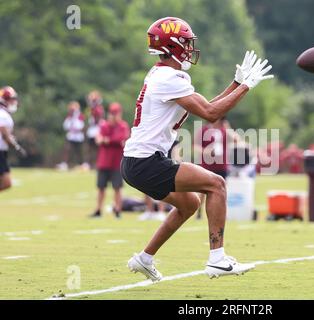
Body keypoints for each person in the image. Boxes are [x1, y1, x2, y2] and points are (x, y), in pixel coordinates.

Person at [121, 17, 273, 281]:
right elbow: (212, 114)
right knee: (216, 184)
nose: (190, 49)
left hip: (137, 161)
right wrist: (247, 86)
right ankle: (217, 259)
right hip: (146, 161)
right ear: (173, 46)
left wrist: (235, 84)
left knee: (190, 203)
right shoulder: (170, 77)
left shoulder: (162, 74)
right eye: (186, 43)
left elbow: (204, 108)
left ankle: (144, 259)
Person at [90, 102, 130, 218]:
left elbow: (120, 139)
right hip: (103, 162)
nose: (113, 116)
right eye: (112, 114)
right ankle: (98, 209)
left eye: (115, 114)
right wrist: (107, 140)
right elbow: (98, 140)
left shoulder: (122, 126)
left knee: (117, 188)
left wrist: (107, 140)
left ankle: (118, 209)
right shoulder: (104, 125)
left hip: (117, 162)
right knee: (100, 187)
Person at [0, 86, 27, 192]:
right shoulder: (2, 114)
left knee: (5, 182)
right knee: (6, 182)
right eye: (11, 99)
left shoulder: (4, 114)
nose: (14, 102)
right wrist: (17, 148)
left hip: (2, 151)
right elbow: (5, 135)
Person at [57, 101, 85, 170]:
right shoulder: (69, 116)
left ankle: (81, 164)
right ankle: (64, 164)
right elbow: (65, 126)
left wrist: (75, 125)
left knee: (79, 151)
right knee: (67, 149)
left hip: (78, 136)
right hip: (71, 135)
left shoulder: (80, 116)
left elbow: (81, 126)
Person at [85, 90, 105, 169]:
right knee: (89, 147)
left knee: (96, 148)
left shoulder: (97, 108)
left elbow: (98, 119)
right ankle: (89, 164)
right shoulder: (92, 108)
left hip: (96, 129)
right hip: (92, 129)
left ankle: (97, 164)